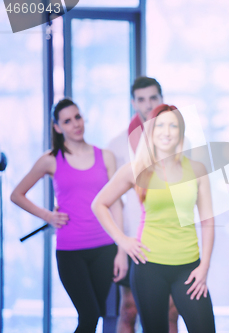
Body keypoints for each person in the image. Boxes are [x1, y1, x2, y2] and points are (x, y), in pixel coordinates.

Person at [92, 104, 216, 333]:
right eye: (160, 125)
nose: (166, 131)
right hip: (149, 267)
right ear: (151, 130)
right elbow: (99, 204)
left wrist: (204, 266)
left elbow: (208, 221)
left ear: (181, 131)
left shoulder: (197, 169)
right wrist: (123, 240)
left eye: (173, 125)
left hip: (189, 268)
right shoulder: (136, 169)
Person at [10, 98, 126, 333]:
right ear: (57, 127)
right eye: (67, 121)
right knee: (89, 315)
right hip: (70, 252)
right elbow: (17, 194)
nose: (75, 124)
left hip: (105, 249)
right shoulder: (50, 160)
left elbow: (116, 205)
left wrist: (121, 251)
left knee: (96, 316)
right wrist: (47, 215)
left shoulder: (106, 157)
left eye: (77, 117)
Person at [106, 76, 180, 333]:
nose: (148, 104)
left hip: (171, 237)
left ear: (162, 99)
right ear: (132, 102)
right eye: (141, 99)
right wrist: (121, 248)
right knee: (129, 309)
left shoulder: (179, 143)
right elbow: (111, 201)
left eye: (153, 98)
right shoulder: (117, 146)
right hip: (134, 238)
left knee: (172, 310)